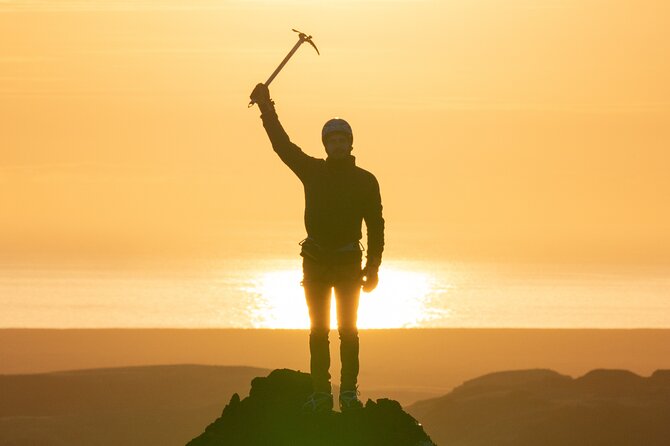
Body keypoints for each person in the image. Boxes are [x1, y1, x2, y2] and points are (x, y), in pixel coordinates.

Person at [250, 83, 385, 413]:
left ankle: (349, 394)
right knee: (318, 331)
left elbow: (376, 226)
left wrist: (373, 267)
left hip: (349, 261)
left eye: (342, 140)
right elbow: (283, 147)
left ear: (350, 144)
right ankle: (322, 394)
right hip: (315, 260)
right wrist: (267, 109)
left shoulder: (366, 181)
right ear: (326, 145)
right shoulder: (313, 171)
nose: (337, 145)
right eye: (332, 140)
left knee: (349, 332)